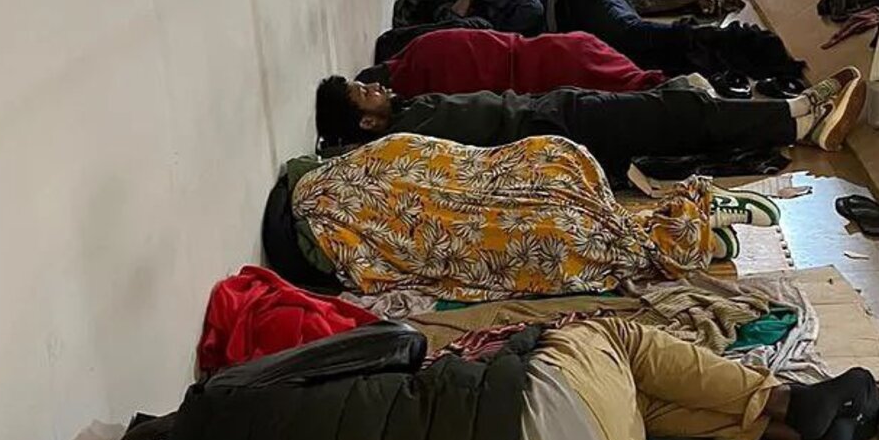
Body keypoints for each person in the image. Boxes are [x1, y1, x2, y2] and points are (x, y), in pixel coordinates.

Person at [170, 315, 879, 440]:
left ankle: (779, 431)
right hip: (531, 410)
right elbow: (400, 345)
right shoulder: (232, 395)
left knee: (625, 407)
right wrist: (524, 343)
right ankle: (781, 399)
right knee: (611, 338)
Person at [293, 133, 781, 301]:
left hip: (459, 190)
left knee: (560, 196)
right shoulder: (322, 209)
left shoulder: (328, 183)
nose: (375, 87)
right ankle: (685, 231)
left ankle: (685, 234)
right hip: (443, 219)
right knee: (559, 225)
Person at [313, 67, 866, 177]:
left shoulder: (410, 112)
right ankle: (797, 119)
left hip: (556, 111)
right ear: (366, 124)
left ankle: (793, 118)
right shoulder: (406, 136)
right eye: (366, 94)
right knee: (679, 114)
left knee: (675, 111)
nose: (378, 87)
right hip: (559, 128)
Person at [454, 0, 806, 83]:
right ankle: (736, 61)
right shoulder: (484, 6)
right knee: (644, 63)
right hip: (576, 19)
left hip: (577, 0)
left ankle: (746, 45)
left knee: (638, 39)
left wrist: (471, 18)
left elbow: (530, 14)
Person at [358, 28, 668, 97]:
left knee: (629, 92)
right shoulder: (421, 45)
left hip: (545, 73)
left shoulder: (424, 90)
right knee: (631, 81)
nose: (375, 92)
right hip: (562, 48)